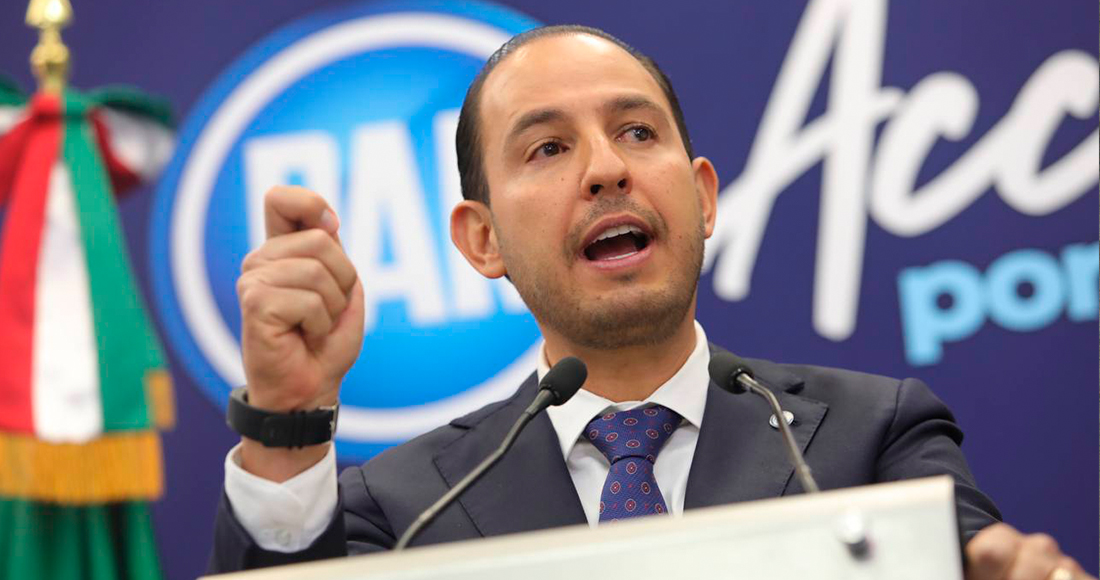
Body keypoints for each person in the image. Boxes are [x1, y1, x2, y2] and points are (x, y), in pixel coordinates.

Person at [210, 25, 1092, 580]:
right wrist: (285, 422)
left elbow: (977, 562)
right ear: (482, 240)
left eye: (636, 132)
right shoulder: (404, 506)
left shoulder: (873, 435)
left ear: (703, 198)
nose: (606, 168)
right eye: (548, 148)